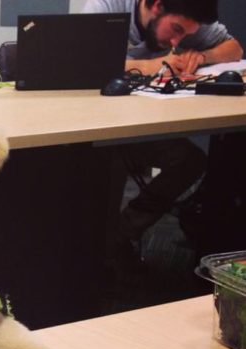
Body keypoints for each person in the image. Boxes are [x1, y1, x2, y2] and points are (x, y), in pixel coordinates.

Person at [83, 0, 243, 261]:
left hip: (145, 126)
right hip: (100, 128)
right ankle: (97, 254)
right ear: (156, 6)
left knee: (189, 161)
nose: (177, 40)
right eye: (176, 29)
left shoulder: (186, 17)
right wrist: (150, 66)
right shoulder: (106, 6)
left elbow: (234, 49)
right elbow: (82, 61)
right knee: (109, 164)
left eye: (186, 35)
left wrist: (202, 56)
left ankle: (124, 231)